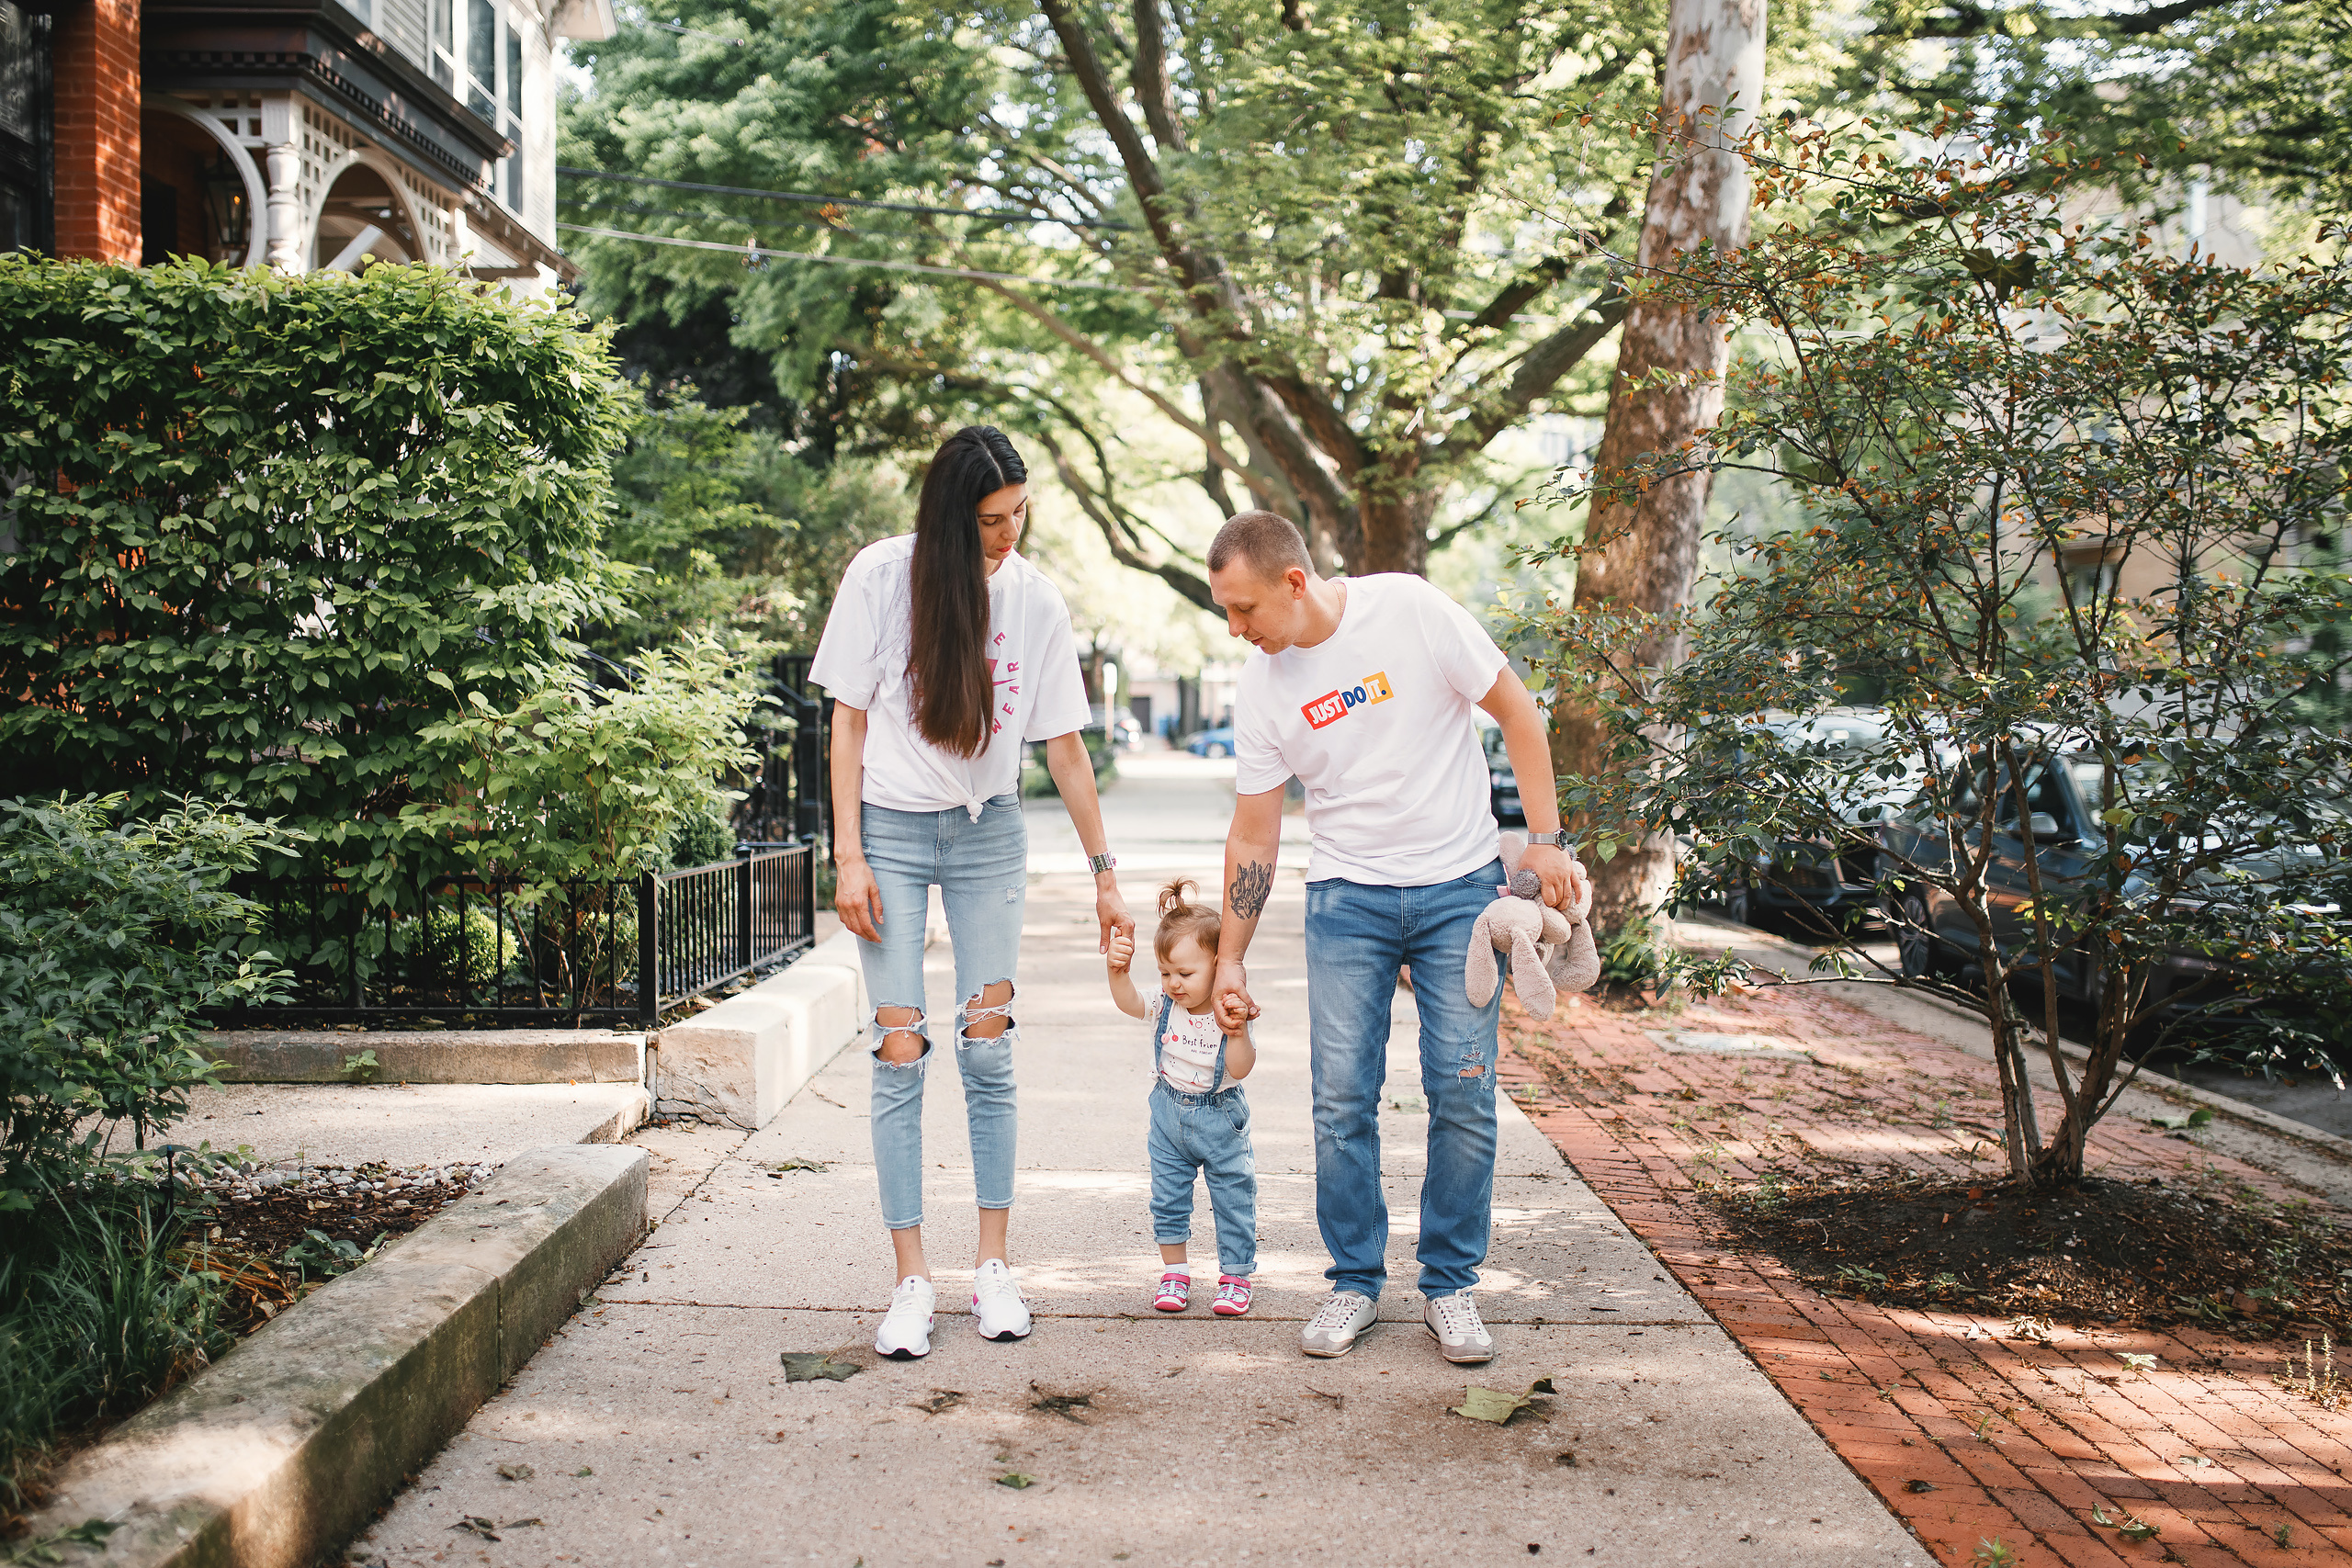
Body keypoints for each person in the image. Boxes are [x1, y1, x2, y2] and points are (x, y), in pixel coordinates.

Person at [1204, 510, 1589, 1364]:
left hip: (1459, 891)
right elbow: (1255, 834)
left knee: (1463, 1090)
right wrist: (1230, 953)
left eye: (1243, 609)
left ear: (1293, 583)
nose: (1236, 629)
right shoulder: (1261, 684)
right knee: (1342, 1100)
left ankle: (1450, 1286)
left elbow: (1518, 712)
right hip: (1348, 899)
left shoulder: (1411, 610)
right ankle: (1354, 1281)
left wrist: (1545, 839)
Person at [809, 425, 1134, 1361]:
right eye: (991, 519)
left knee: (988, 1051)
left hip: (991, 833)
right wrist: (850, 855)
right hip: (894, 835)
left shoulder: (1034, 601)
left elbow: (1065, 748)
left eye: (1020, 513)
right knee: (899, 1048)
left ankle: (995, 1266)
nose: (1008, 534)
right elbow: (848, 722)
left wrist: (1105, 876)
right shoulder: (881, 578)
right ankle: (911, 1279)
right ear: (951, 517)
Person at [1104, 878, 1259, 1317]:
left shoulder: (1230, 1009)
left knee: (1233, 1195)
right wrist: (1117, 972)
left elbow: (1242, 1067)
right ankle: (1175, 1271)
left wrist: (1239, 1030)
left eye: (1186, 974)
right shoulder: (1165, 1004)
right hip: (1168, 1115)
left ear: (1217, 966)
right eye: (1166, 973)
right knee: (1168, 1196)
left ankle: (1235, 1276)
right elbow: (1130, 1002)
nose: (1173, 984)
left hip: (1220, 1116)